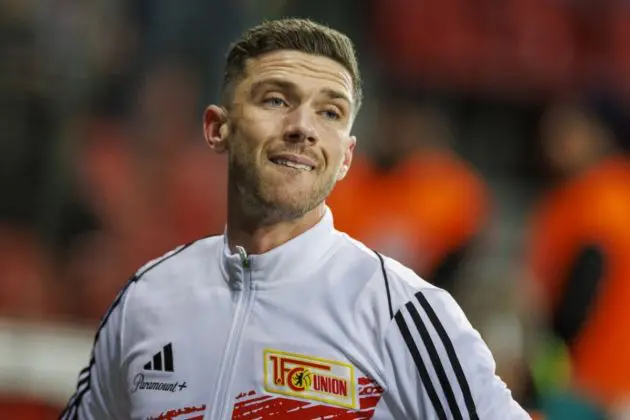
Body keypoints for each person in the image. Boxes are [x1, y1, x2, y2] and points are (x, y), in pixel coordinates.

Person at [61, 18, 528, 419]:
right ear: (217, 128)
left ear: (345, 157)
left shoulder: (399, 313)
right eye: (276, 100)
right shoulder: (148, 297)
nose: (303, 127)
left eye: (329, 111)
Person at [524, 98, 630, 418]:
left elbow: (580, 294)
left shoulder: (596, 198)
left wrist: (541, 369)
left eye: (568, 129)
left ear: (599, 134)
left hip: (590, 383)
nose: (553, 139)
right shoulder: (601, 192)